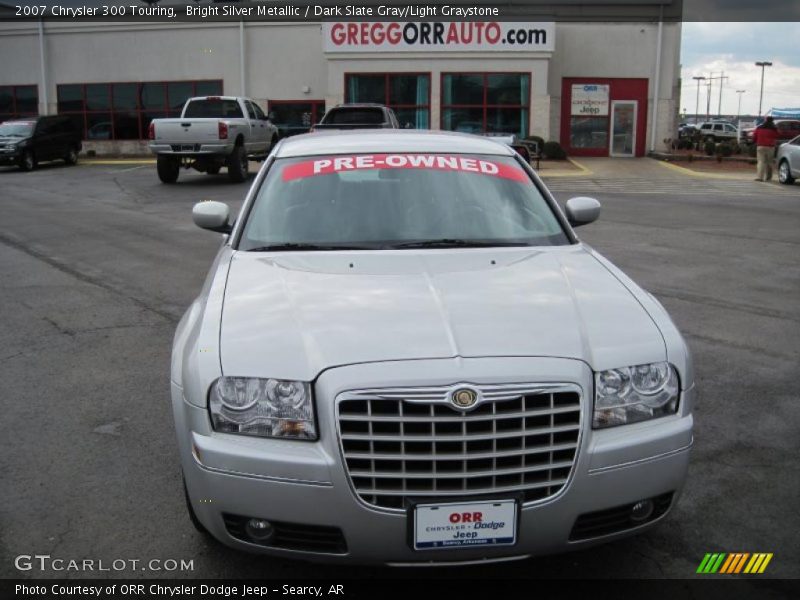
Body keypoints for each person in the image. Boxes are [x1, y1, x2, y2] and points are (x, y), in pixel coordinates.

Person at [752, 116, 778, 181]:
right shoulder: (774, 129)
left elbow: (754, 136)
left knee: (761, 161)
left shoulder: (759, 128)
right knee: (769, 162)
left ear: (765, 120)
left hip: (760, 146)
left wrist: (754, 141)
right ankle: (768, 177)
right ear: (772, 121)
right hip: (770, 147)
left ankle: (760, 177)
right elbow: (777, 136)